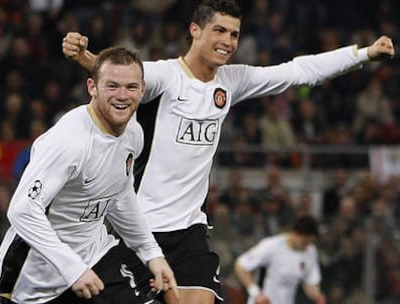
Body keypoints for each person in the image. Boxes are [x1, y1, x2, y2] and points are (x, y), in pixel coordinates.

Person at [62, 1, 395, 303]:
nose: (228, 41)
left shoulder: (231, 81)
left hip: (189, 230)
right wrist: (87, 59)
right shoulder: (166, 76)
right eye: (219, 30)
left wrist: (363, 55)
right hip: (139, 229)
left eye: (234, 34)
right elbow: (123, 76)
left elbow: (297, 72)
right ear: (195, 31)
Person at [0, 46, 178, 304]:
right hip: (36, 277)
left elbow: (120, 195)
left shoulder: (134, 134)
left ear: (143, 89)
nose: (122, 96)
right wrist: (72, 269)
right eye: (112, 86)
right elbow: (22, 210)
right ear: (92, 87)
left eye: (131, 87)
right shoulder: (70, 140)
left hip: (96, 256)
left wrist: (151, 253)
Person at [234, 215, 326, 304]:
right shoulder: (271, 246)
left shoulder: (310, 251)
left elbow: (310, 283)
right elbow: (240, 266)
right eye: (304, 242)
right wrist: (256, 293)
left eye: (310, 242)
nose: (307, 246)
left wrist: (318, 297)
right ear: (295, 233)